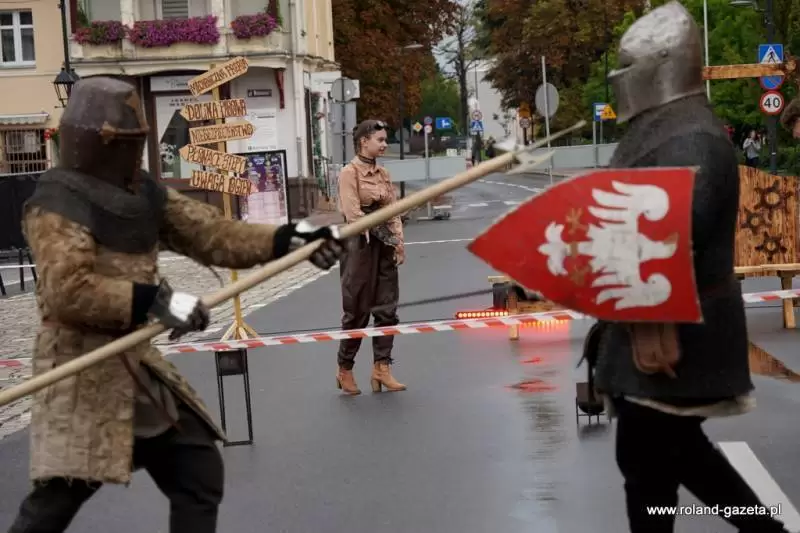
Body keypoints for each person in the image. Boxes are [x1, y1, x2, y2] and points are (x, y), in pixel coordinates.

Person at [7, 76, 345, 533]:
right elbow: (67, 290)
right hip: (80, 368)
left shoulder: (142, 193)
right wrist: (157, 302)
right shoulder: (55, 204)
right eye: (123, 145)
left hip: (135, 366)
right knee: (55, 502)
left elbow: (212, 234)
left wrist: (291, 237)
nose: (130, 155)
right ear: (95, 142)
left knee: (197, 472)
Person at [583, 3, 790, 532]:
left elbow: (674, 233)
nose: (622, 80)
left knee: (658, 458)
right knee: (656, 462)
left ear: (661, 68)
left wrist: (601, 250)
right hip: (655, 321)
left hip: (681, 327)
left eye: (629, 69)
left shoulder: (690, 137)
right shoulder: (660, 129)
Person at [335, 119, 406, 395]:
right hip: (359, 246)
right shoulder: (349, 173)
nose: (385, 144)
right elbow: (353, 214)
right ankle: (345, 368)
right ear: (364, 141)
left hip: (384, 245)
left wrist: (398, 241)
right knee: (357, 310)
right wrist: (379, 231)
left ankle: (382, 368)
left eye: (385, 140)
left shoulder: (383, 174)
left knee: (387, 308)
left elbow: (393, 210)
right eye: (380, 140)